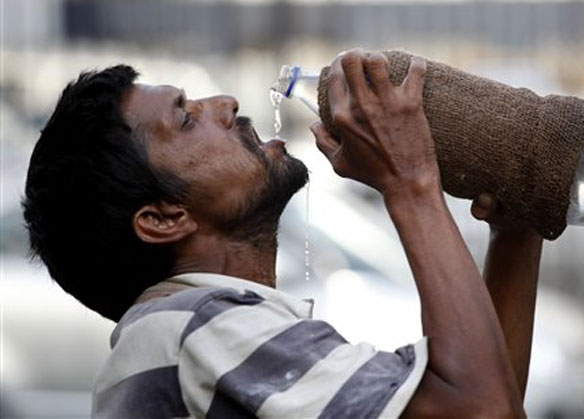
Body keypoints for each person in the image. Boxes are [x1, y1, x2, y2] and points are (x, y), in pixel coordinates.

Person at [23, 50, 543, 418]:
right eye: (185, 119)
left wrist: (514, 233)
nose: (224, 103)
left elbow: (480, 396)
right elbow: (481, 409)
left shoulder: (184, 332)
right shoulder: (197, 329)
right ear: (163, 218)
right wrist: (409, 181)